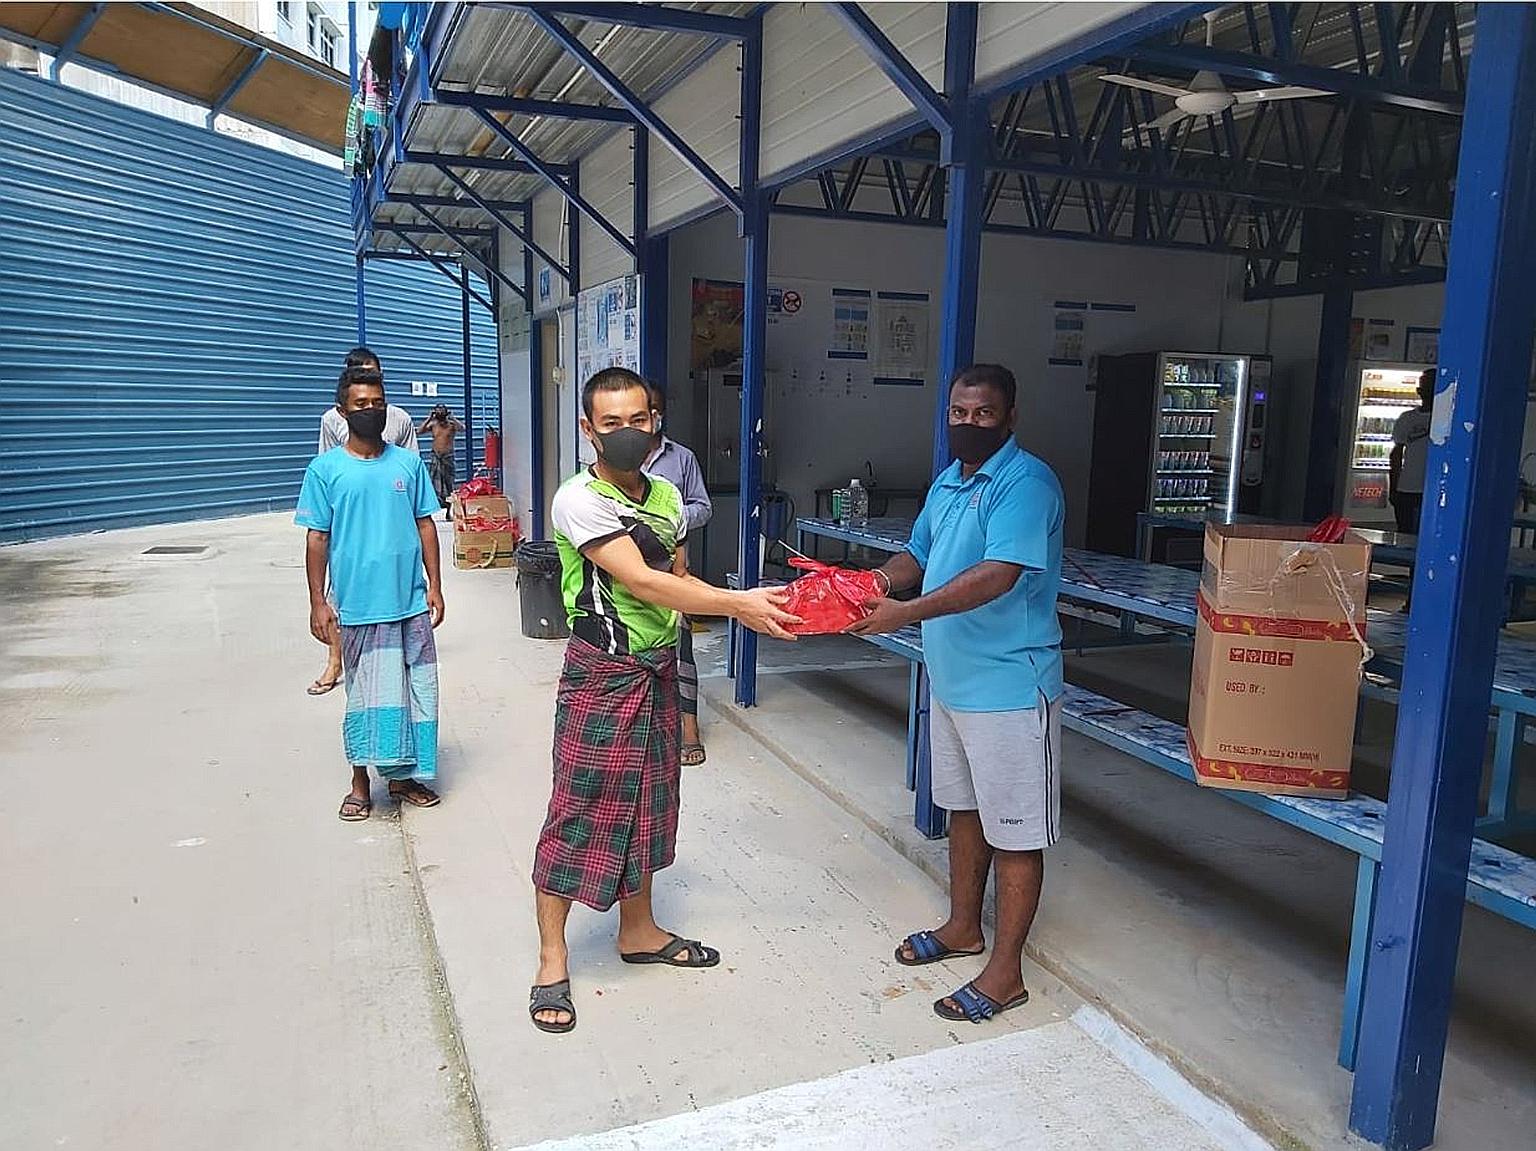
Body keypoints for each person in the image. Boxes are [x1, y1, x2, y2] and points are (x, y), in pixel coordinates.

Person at [528, 367, 799, 1035]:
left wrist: (739, 605)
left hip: (656, 667)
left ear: (657, 423)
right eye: (610, 422)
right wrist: (741, 603)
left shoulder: (671, 495)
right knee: (579, 804)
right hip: (602, 671)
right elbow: (644, 582)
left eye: (638, 418)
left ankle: (640, 929)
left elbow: (677, 579)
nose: (626, 431)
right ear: (588, 430)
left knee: (653, 799)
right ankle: (551, 955)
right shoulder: (578, 500)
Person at [851, 363, 1064, 1027]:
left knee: (1018, 828)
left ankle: (1006, 972)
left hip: (1008, 684)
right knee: (965, 810)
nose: (968, 424)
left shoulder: (1025, 483)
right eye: (959, 412)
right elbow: (915, 556)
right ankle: (963, 926)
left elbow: (997, 575)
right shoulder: (949, 481)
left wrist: (905, 615)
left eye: (983, 413)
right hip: (952, 680)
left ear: (1010, 416)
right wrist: (875, 585)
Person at [296, 364, 446, 821]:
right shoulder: (325, 470)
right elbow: (316, 539)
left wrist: (435, 585)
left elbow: (426, 524)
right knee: (364, 696)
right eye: (361, 405)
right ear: (342, 412)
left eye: (378, 404)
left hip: (410, 603)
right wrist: (318, 601)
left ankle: (402, 777)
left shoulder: (408, 463)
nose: (371, 411)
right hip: (360, 606)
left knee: (416, 692)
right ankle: (361, 783)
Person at [309, 347, 419, 696]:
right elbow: (326, 472)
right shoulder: (330, 422)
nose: (370, 410)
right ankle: (334, 661)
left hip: (393, 532)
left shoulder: (399, 418)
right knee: (343, 603)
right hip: (351, 534)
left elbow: (412, 475)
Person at [642, 384, 712, 766]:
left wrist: (674, 516)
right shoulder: (619, 460)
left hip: (673, 567)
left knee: (681, 649)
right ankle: (645, 725)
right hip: (629, 570)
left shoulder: (681, 458)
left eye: (653, 411)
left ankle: (689, 727)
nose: (648, 418)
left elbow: (704, 507)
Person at [317, 347, 419, 455]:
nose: (365, 378)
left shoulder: (401, 418)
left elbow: (412, 463)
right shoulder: (331, 419)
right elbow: (327, 464)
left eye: (370, 372)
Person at [1389, 369, 1435, 535]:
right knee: (1406, 534)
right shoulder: (1406, 418)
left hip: (1431, 489)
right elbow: (1396, 454)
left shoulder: (1447, 420)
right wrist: (1394, 487)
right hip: (1407, 487)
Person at [419, 404, 464, 512]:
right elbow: (419, 431)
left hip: (447, 457)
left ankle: (449, 509)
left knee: (449, 485)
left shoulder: (451, 425)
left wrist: (452, 418)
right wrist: (429, 418)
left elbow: (462, 428)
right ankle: (436, 506)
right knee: (434, 484)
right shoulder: (433, 424)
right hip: (436, 457)